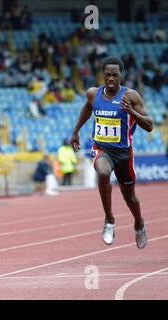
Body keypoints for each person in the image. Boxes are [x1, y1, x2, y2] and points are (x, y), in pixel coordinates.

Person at [70, 56, 154, 249]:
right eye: (107, 75)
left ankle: (139, 223)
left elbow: (149, 126)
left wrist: (131, 112)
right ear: (103, 75)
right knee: (103, 172)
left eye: (114, 75)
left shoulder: (131, 96)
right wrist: (75, 132)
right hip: (102, 149)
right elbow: (87, 108)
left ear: (120, 75)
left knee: (130, 198)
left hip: (124, 153)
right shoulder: (93, 94)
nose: (110, 79)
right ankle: (109, 219)